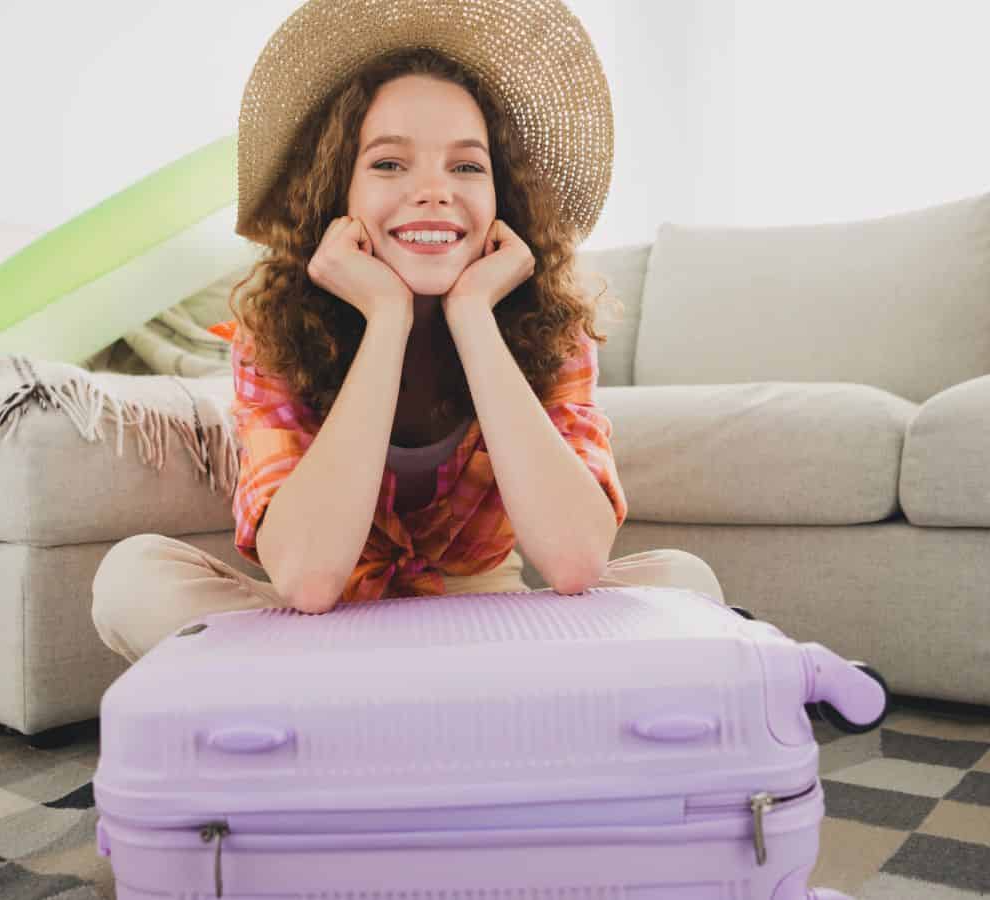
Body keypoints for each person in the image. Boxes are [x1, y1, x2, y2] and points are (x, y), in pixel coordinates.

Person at [91, 0, 723, 664]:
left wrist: (474, 315)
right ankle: (434, 705)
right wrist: (386, 319)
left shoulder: (552, 329)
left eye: (467, 166)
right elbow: (307, 579)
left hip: (488, 621)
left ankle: (348, 712)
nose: (434, 191)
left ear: (501, 197)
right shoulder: (273, 330)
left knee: (684, 582)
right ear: (341, 193)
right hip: (326, 624)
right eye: (390, 164)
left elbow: (574, 561)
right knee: (134, 580)